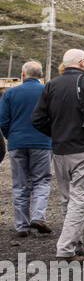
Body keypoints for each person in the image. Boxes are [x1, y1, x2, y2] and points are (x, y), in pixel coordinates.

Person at [30, 49, 84, 262]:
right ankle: (66, 249)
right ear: (82, 62)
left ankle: (75, 243)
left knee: (68, 199)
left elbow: (37, 119)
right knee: (78, 199)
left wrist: (56, 132)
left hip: (60, 150)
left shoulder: (51, 85)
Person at [0, 62, 53, 238]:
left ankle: (21, 226)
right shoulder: (47, 91)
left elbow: (3, 121)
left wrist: (11, 136)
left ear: (23, 74)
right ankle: (38, 216)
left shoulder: (9, 93)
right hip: (42, 142)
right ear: (40, 75)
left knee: (19, 184)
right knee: (42, 181)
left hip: (17, 143)